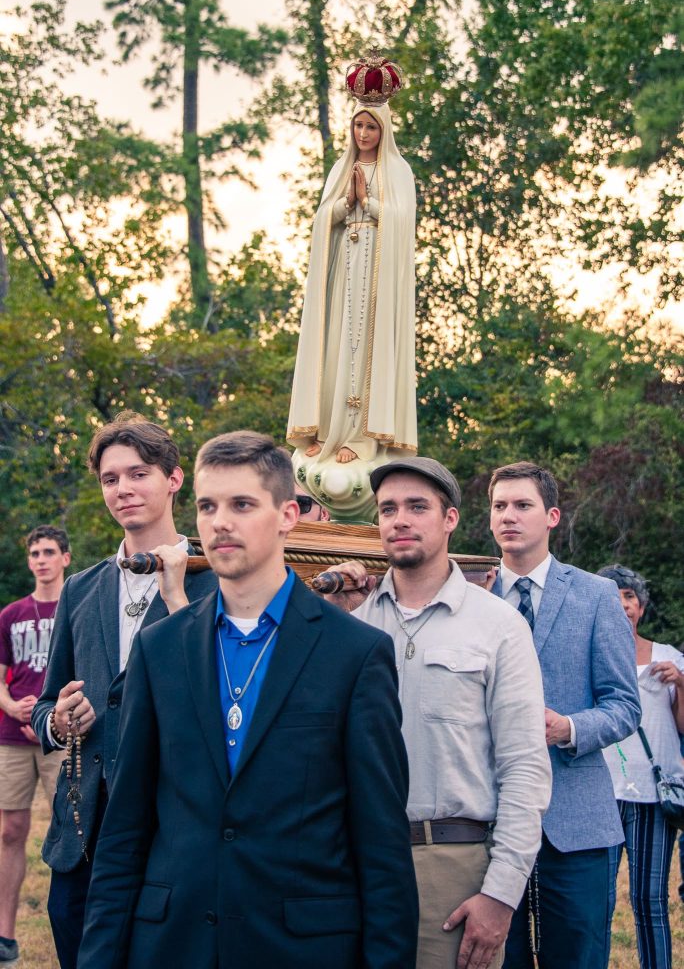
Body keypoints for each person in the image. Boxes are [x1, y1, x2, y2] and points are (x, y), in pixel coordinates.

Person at [76, 431, 418, 969]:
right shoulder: (159, 648)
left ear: (287, 516)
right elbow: (126, 828)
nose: (219, 522)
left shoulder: (355, 653)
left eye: (242, 504)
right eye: (208, 506)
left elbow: (381, 845)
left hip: (302, 948)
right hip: (174, 945)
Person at [323, 455, 552, 969]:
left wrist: (500, 894)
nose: (399, 520)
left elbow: (524, 767)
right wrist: (330, 625)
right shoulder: (348, 622)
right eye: (387, 509)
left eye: (417, 507)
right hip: (346, 861)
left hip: (450, 863)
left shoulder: (498, 626)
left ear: (449, 520)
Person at [31, 413, 216, 969]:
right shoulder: (81, 589)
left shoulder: (217, 581)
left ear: (174, 479)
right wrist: (59, 722)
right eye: (111, 479)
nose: (124, 489)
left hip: (174, 828)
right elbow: (43, 708)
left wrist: (177, 593)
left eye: (138, 473)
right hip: (84, 832)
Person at [487, 461, 641, 969]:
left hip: (575, 822)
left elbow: (624, 705)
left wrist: (569, 728)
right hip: (488, 820)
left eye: (523, 505)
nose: (509, 516)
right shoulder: (468, 598)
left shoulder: (597, 596)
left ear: (551, 516)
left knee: (578, 957)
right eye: (499, 506)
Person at [287, 85, 417, 465]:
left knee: (367, 347)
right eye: (358, 125)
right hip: (344, 267)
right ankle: (326, 431)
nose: (363, 134)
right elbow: (323, 220)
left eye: (371, 127)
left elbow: (402, 221)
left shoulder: (398, 171)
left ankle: (360, 438)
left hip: (378, 272)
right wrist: (345, 204)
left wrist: (368, 202)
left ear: (384, 131)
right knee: (338, 343)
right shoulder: (339, 169)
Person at [597, 564, 684, 969]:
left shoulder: (668, 658)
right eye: (612, 597)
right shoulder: (590, 658)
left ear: (641, 606)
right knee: (595, 900)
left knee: (650, 899)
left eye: (628, 597)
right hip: (599, 795)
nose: (622, 605)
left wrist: (681, 684)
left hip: (652, 795)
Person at [0, 526, 71, 965]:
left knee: (71, 830)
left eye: (49, 552)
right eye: (35, 553)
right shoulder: (11, 614)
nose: (41, 559)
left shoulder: (79, 603)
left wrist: (50, 718)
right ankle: (5, 936)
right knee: (9, 832)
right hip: (12, 736)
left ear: (65, 558)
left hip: (63, 734)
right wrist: (12, 708)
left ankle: (70, 923)